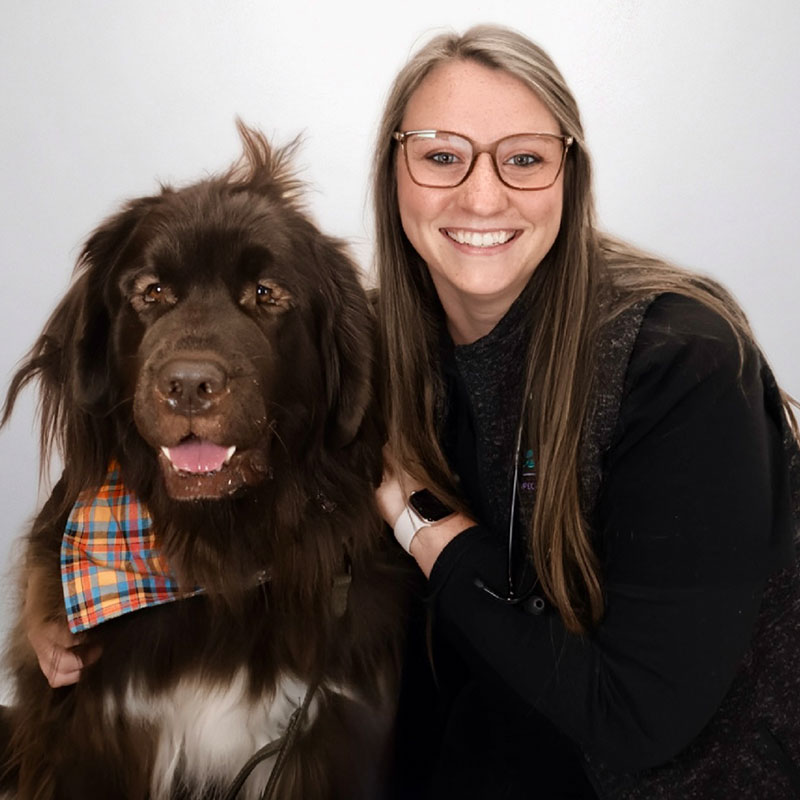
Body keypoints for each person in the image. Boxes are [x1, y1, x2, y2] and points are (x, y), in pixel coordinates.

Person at [24, 23, 800, 800]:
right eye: (441, 156)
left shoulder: (683, 366)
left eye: (524, 159)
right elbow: (124, 425)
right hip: (495, 755)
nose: (482, 195)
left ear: (572, 176)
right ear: (395, 175)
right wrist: (48, 580)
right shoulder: (382, 341)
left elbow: (640, 718)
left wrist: (418, 518)